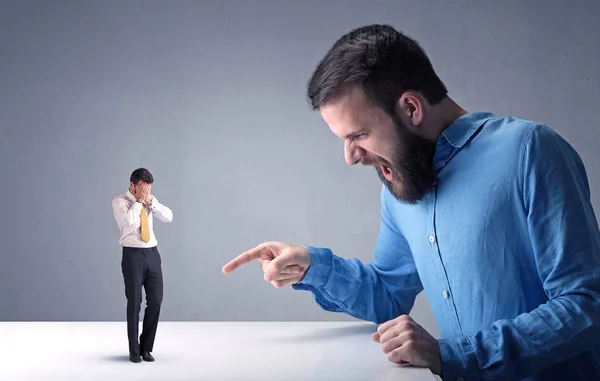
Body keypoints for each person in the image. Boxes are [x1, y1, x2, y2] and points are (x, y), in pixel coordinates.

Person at [222, 24, 600, 381]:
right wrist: (312, 267)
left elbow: (586, 304)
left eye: (359, 135)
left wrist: (454, 356)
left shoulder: (530, 151)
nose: (350, 157)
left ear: (411, 109)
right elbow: (388, 295)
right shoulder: (401, 182)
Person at [112, 168, 173, 363]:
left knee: (155, 300)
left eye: (148, 189)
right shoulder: (120, 202)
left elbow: (169, 217)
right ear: (132, 185)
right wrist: (138, 202)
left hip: (152, 254)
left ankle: (147, 348)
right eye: (142, 189)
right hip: (132, 256)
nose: (146, 192)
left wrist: (151, 203)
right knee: (135, 302)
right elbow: (128, 223)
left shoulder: (149, 199)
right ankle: (134, 350)